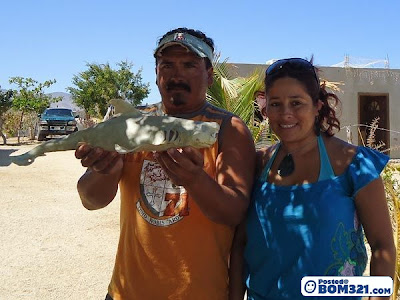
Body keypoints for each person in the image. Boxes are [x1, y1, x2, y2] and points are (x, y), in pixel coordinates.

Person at [75, 28, 255, 300]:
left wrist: (195, 179)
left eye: (189, 65)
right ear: (156, 71)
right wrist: (105, 172)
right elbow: (91, 200)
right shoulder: (133, 125)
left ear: (209, 75)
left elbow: (234, 214)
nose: (176, 74)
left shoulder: (228, 129)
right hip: (127, 293)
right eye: (167, 64)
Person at [229, 58, 395, 300]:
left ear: (317, 106)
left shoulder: (353, 164)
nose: (285, 113)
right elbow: (241, 244)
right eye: (276, 104)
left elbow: (382, 246)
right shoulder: (256, 165)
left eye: (296, 103)